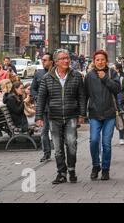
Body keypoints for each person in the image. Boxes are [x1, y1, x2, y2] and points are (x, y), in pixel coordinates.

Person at [35, 49, 86, 185]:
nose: (67, 60)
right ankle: (61, 173)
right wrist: (38, 116)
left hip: (71, 116)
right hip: (54, 117)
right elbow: (41, 98)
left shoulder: (76, 76)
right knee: (57, 148)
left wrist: (82, 114)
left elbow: (81, 96)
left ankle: (72, 169)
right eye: (63, 58)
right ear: (56, 62)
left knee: (71, 144)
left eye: (68, 58)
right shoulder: (47, 78)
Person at [84, 50, 121, 181]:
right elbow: (84, 95)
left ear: (106, 61)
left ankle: (105, 169)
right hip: (94, 113)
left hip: (109, 114)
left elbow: (117, 89)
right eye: (97, 60)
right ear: (94, 62)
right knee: (93, 140)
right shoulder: (89, 76)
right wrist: (83, 113)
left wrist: (105, 78)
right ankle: (95, 165)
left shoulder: (112, 73)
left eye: (102, 59)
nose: (100, 62)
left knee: (106, 143)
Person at [31, 53, 54, 162]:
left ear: (51, 61)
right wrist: (37, 97)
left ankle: (60, 151)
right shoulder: (39, 73)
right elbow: (33, 89)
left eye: (45, 60)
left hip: (55, 107)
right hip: (44, 108)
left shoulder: (56, 73)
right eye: (42, 60)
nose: (43, 62)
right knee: (44, 131)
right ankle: (46, 153)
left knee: (56, 131)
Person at [113, 62, 124, 145]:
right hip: (114, 100)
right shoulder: (111, 77)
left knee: (121, 118)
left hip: (120, 99)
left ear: (117, 69)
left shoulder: (122, 77)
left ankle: (121, 137)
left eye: (114, 68)